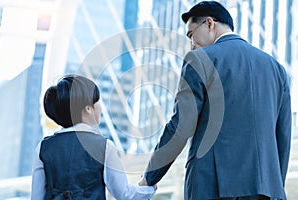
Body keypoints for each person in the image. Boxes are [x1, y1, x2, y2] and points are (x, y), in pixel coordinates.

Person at [139, 1, 291, 200]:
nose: (191, 44)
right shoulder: (277, 69)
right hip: (265, 190)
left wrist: (149, 177)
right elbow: (283, 135)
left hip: (212, 186)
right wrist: (274, 185)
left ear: (209, 24)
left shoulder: (200, 59)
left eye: (191, 34)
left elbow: (181, 127)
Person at [31, 75, 156, 200]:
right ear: (88, 109)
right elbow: (124, 194)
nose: (100, 107)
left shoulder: (43, 148)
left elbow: (36, 198)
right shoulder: (104, 146)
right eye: (97, 101)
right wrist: (149, 189)